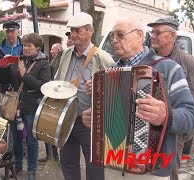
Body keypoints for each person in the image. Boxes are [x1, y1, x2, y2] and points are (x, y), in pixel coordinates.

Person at [82, 17, 194, 179]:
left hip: (151, 170)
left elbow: (191, 117)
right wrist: (94, 119)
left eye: (120, 35)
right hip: (112, 164)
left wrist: (166, 116)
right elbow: (111, 118)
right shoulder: (107, 75)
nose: (115, 40)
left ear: (139, 36)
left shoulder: (168, 68)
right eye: (113, 36)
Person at [54, 12, 115, 180]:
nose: (73, 34)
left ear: (90, 31)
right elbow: (58, 79)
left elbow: (116, 92)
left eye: (78, 30)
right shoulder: (66, 53)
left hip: (90, 121)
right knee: (67, 162)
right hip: (66, 117)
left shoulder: (103, 58)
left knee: (94, 165)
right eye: (71, 30)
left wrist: (98, 88)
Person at [147, 17, 194, 180]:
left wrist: (182, 134)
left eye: (158, 32)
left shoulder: (190, 63)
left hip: (173, 132)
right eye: (152, 32)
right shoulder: (148, 60)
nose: (153, 36)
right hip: (145, 130)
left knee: (169, 173)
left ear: (172, 36)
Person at [0, 32, 51, 180]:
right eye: (24, 45)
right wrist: (5, 68)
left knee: (31, 140)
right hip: (15, 107)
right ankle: (17, 165)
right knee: (16, 139)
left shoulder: (44, 63)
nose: (25, 48)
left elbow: (43, 86)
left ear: (37, 47)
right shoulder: (18, 60)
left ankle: (31, 169)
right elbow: (6, 81)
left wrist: (25, 74)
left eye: (29, 45)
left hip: (32, 108)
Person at [0, 20, 24, 175]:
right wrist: (5, 79)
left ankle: (22, 160)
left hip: (24, 93)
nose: (10, 34)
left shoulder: (25, 46)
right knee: (10, 130)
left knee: (25, 128)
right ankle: (14, 163)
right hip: (8, 94)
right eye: (7, 31)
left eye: (13, 31)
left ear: (18, 31)